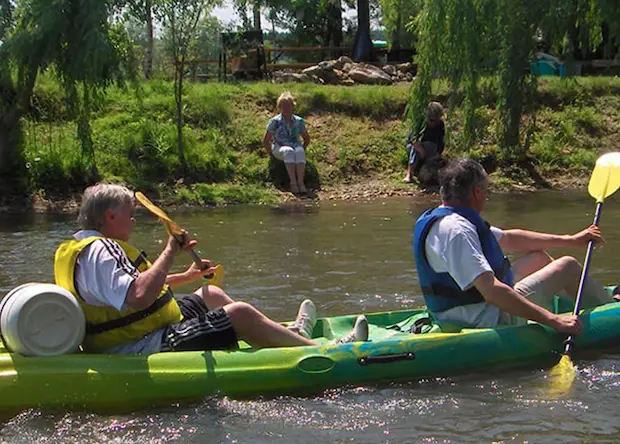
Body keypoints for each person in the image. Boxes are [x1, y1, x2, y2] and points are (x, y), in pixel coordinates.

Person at [54, 184, 368, 354]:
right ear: (110, 217)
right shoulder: (101, 251)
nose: (133, 221)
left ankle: (290, 335)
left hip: (141, 328)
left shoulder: (88, 248)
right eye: (129, 215)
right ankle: (321, 352)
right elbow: (137, 295)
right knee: (239, 313)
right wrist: (169, 251)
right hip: (135, 345)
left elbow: (130, 289)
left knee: (211, 293)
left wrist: (189, 277)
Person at [413, 158, 619, 335]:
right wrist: (552, 320)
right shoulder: (458, 231)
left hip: (463, 309)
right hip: (483, 318)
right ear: (476, 191)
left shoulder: (445, 220)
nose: (486, 196)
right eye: (486, 190)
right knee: (568, 266)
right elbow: (491, 291)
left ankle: (579, 304)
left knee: (538, 259)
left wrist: (571, 240)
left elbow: (510, 239)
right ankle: (610, 310)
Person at [262, 91, 311, 194]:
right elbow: (266, 140)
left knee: (299, 151)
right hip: (279, 147)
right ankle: (293, 183)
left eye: (288, 106)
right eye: (283, 106)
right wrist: (271, 154)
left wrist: (303, 147)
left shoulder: (299, 121)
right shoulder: (275, 121)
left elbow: (306, 138)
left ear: (293, 106)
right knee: (288, 151)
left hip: (295, 145)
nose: (286, 108)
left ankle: (301, 183)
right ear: (279, 107)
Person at [404, 101, 445, 183]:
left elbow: (441, 142)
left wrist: (438, 154)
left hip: (430, 150)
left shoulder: (440, 125)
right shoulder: (421, 122)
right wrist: (420, 150)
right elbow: (412, 140)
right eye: (431, 120)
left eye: (436, 120)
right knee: (415, 148)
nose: (433, 123)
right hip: (416, 147)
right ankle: (409, 174)